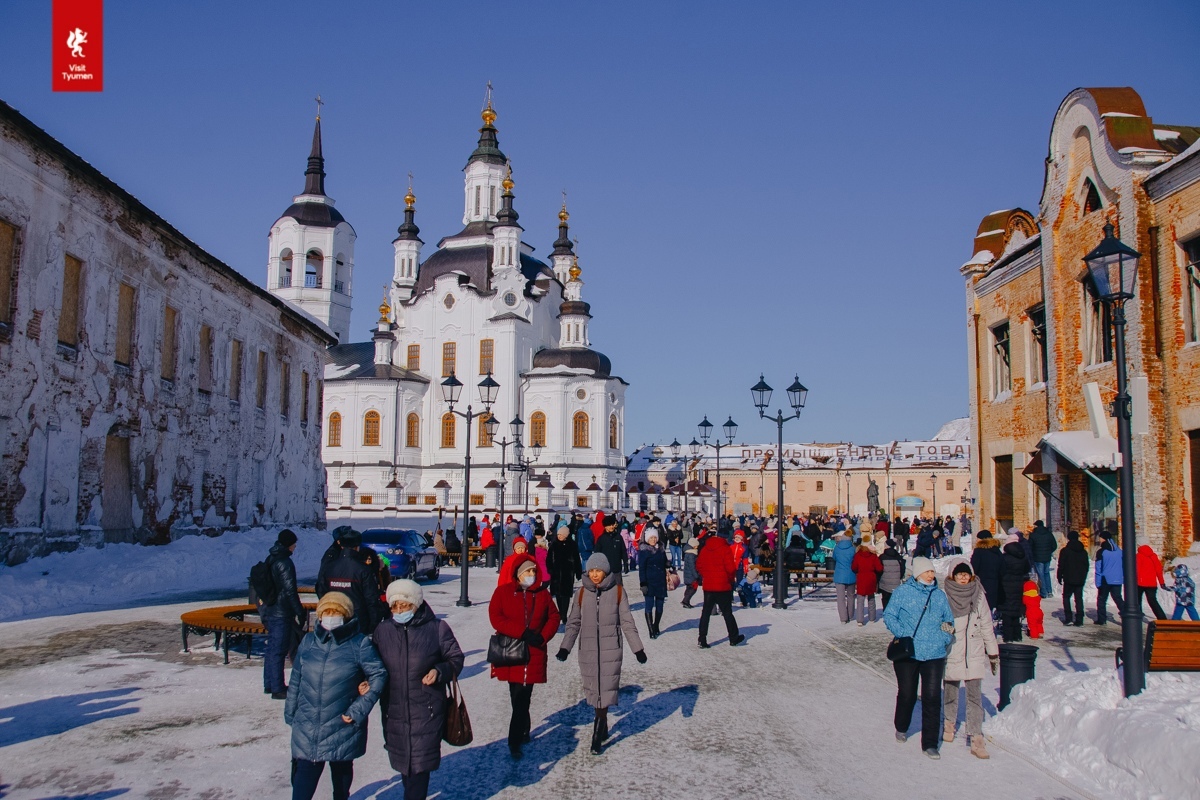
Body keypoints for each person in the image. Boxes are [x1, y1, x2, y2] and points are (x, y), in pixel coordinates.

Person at [285, 591, 387, 800]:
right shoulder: (308, 641)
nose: (330, 616)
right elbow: (297, 677)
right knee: (304, 777)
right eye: (327, 612)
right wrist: (290, 710)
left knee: (340, 772)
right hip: (308, 722)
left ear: (346, 615)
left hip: (342, 722)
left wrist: (358, 708)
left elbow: (379, 674)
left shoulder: (359, 644)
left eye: (336, 612)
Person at [373, 580, 464, 800]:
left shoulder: (437, 628)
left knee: (419, 768)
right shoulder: (382, 631)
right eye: (394, 606)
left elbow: (455, 658)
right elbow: (372, 664)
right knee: (405, 766)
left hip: (427, 708)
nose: (399, 611)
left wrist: (439, 671)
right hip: (394, 708)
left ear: (415, 604)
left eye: (404, 606)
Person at [556, 553, 647, 755]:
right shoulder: (581, 593)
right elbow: (573, 623)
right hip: (587, 649)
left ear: (605, 571)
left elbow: (627, 621)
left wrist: (638, 648)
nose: (595, 575)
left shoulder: (618, 592)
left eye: (599, 571)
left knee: (606, 688)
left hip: (611, 648)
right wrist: (565, 647)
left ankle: (597, 733)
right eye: (592, 571)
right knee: (594, 689)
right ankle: (603, 721)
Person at [883, 556, 955, 760]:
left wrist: (943, 638)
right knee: (908, 693)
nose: (932, 575)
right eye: (928, 572)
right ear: (917, 574)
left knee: (932, 697)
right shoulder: (903, 592)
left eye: (932, 572)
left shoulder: (939, 596)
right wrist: (902, 634)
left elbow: (948, 620)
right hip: (909, 652)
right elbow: (890, 615)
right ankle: (902, 725)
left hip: (934, 653)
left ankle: (930, 743)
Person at [489, 555, 560, 759]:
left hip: (533, 652)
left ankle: (514, 740)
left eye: (534, 571)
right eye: (527, 572)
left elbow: (554, 617)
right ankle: (523, 729)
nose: (532, 575)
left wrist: (543, 636)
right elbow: (496, 617)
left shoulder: (542, 594)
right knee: (516, 696)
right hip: (511, 650)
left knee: (523, 697)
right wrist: (520, 632)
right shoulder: (503, 592)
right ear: (518, 574)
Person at [941, 562, 998, 760]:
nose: (964, 578)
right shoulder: (945, 596)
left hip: (973, 652)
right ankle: (949, 722)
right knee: (950, 691)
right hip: (952, 650)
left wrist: (992, 653)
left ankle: (976, 736)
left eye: (966, 575)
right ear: (952, 577)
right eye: (959, 575)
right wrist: (945, 630)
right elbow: (938, 621)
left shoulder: (979, 595)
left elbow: (987, 624)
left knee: (974, 695)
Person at [260, 529, 306, 700]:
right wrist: (299, 611)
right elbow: (289, 591)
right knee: (279, 650)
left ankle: (269, 683)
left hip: (271, 609)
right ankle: (278, 687)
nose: (295, 547)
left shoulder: (271, 557)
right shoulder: (284, 562)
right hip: (281, 611)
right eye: (294, 543)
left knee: (272, 648)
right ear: (289, 544)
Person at [316, 529, 387, 636]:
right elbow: (371, 599)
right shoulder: (363, 570)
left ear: (341, 545)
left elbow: (320, 590)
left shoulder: (329, 567)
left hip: (334, 617)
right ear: (357, 547)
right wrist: (373, 624)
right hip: (358, 621)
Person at [695, 529, 744, 648]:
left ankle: (702, 639)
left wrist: (706, 575)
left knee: (705, 613)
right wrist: (730, 579)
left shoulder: (705, 548)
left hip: (709, 585)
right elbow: (731, 569)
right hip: (723, 585)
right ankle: (733, 637)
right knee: (727, 613)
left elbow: (699, 565)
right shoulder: (725, 549)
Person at [546, 521, 582, 623]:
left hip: (567, 573)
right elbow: (548, 558)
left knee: (566, 594)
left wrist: (578, 572)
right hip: (556, 573)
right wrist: (550, 569)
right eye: (558, 535)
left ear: (566, 535)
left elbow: (577, 559)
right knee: (558, 594)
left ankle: (564, 614)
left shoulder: (572, 545)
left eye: (561, 535)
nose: (559, 536)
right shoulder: (554, 545)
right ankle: (561, 612)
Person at [638, 528, 669, 638]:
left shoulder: (661, 549)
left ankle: (656, 625)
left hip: (660, 581)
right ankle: (651, 630)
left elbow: (665, 562)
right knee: (649, 606)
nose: (653, 539)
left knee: (660, 606)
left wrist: (669, 564)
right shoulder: (644, 551)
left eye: (655, 537)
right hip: (649, 581)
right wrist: (643, 583)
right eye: (651, 537)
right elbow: (642, 568)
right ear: (647, 539)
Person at [999, 533, 1030, 642]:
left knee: (1007, 612)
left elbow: (1000, 571)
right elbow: (1027, 569)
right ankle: (1017, 635)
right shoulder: (1022, 557)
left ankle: (1008, 636)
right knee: (1016, 611)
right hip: (1018, 585)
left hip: (1005, 585)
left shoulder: (1004, 558)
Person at [1056, 530, 1089, 626]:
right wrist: (1083, 576)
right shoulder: (1083, 551)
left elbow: (1061, 565)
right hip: (1080, 579)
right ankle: (1079, 619)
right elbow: (1086, 566)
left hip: (1068, 578)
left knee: (1066, 597)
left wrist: (1059, 575)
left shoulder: (1065, 551)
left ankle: (1068, 618)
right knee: (1079, 598)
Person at [1095, 532, 1124, 625]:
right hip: (1117, 579)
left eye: (1100, 538)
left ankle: (1102, 620)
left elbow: (1099, 568)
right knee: (1118, 598)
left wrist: (1098, 582)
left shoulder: (1101, 552)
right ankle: (1126, 616)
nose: (1099, 539)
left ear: (1103, 539)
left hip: (1105, 579)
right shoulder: (1119, 551)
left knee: (1102, 599)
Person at [851, 542, 883, 625]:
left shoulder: (857, 555)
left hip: (861, 578)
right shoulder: (873, 556)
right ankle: (872, 617)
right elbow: (879, 568)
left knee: (860, 600)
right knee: (871, 598)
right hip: (871, 578)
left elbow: (854, 567)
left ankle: (860, 620)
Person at [1135, 541, 1168, 621]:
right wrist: (1161, 582)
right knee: (1152, 601)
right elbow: (1159, 570)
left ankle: (1138, 616)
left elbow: (1137, 570)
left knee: (1137, 600)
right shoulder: (1153, 556)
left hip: (1140, 583)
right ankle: (1162, 618)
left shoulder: (1138, 556)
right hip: (1152, 584)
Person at [831, 533, 857, 624]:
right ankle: (850, 615)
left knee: (840, 598)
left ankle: (843, 618)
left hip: (839, 575)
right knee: (851, 596)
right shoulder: (853, 549)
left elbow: (834, 558)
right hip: (851, 575)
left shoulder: (837, 548)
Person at [1029, 521, 1057, 598]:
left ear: (1036, 526)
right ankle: (1049, 591)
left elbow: (1030, 547)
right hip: (1047, 557)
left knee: (1041, 575)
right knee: (1046, 574)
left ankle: (1044, 593)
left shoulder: (1033, 535)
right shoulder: (1049, 534)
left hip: (1037, 557)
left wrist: (1033, 554)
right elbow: (1054, 545)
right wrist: (1048, 552)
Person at [878, 540, 905, 610]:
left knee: (885, 599)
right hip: (896, 582)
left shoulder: (882, 557)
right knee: (894, 599)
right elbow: (902, 569)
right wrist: (899, 577)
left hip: (884, 582)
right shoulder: (898, 557)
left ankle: (886, 613)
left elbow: (879, 570)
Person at [680, 536, 701, 609]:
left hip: (688, 575)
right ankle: (685, 601)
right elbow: (693, 567)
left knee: (689, 588)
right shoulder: (692, 555)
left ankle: (686, 601)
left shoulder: (688, 553)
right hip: (691, 576)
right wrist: (696, 576)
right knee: (692, 589)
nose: (697, 547)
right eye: (696, 546)